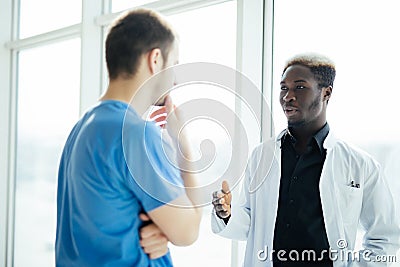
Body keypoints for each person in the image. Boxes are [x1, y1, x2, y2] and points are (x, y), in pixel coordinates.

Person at [211, 53, 400, 266]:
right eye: (284, 88)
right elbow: (252, 224)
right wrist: (227, 213)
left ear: (326, 93)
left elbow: (385, 238)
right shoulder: (261, 156)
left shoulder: (361, 165)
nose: (287, 96)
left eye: (299, 87)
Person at [55, 8, 201, 266]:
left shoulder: (82, 128)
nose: (176, 81)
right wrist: (185, 152)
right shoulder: (136, 134)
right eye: (174, 66)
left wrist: (162, 231)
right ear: (155, 59)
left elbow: (112, 216)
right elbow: (188, 231)